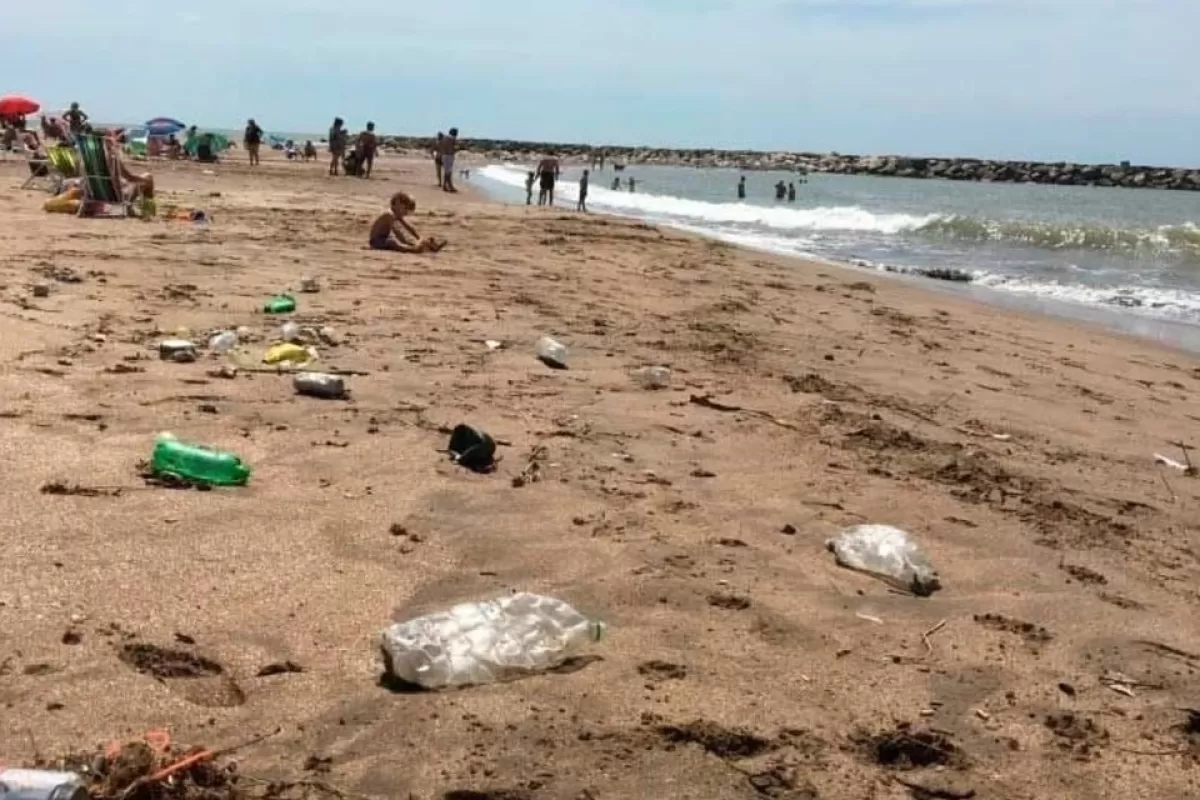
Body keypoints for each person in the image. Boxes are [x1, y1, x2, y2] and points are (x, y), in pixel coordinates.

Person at [368, 191, 447, 253]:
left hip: (384, 238)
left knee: (396, 241)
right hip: (376, 240)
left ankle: (431, 246)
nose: (405, 211)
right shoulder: (389, 214)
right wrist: (404, 242)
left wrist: (419, 237)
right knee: (392, 242)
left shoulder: (397, 214)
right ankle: (413, 250)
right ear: (397, 204)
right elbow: (396, 231)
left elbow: (408, 227)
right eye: (404, 207)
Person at [440, 127, 458, 192]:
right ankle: (446, 186)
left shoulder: (444, 138)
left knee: (447, 172)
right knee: (448, 172)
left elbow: (441, 145)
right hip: (449, 156)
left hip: (444, 155)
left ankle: (448, 185)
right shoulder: (452, 138)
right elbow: (455, 147)